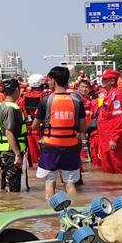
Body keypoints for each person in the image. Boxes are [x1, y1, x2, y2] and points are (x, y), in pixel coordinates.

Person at [35, 65, 86, 200]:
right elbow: (82, 127)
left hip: (50, 147)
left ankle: (50, 214)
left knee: (50, 183)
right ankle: (76, 211)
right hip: (71, 146)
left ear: (53, 80)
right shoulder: (77, 100)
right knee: (70, 184)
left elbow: (35, 126)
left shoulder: (46, 100)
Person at [92, 68, 122, 175]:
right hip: (105, 141)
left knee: (119, 171)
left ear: (112, 81)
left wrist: (114, 138)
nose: (102, 81)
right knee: (108, 172)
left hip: (113, 142)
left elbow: (119, 119)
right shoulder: (108, 96)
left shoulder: (117, 96)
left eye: (105, 79)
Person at [0, 78, 29, 192]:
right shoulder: (10, 108)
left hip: (6, 151)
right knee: (12, 189)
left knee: (7, 186)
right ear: (17, 90)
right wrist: (17, 154)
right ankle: (12, 208)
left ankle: (7, 206)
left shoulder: (2, 105)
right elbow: (9, 132)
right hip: (11, 152)